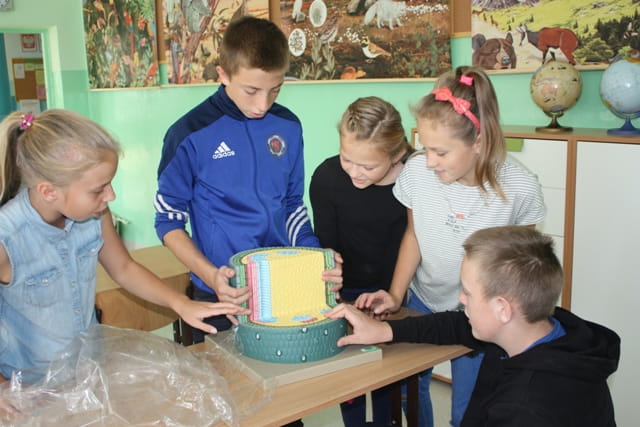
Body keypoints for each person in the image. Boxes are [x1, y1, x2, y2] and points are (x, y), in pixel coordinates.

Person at [0, 110, 250, 403]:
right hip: (28, 390)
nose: (111, 196)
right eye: (99, 189)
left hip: (88, 372)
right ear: (49, 191)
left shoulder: (95, 214)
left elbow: (123, 268)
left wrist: (181, 303)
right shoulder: (7, 237)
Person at [356, 66, 545, 427]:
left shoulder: (519, 187)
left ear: (479, 142)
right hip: (423, 300)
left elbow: (520, 269)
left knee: (467, 411)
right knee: (409, 392)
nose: (429, 161)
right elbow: (413, 235)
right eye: (425, 148)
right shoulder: (417, 172)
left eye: (440, 152)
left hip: (479, 315)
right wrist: (395, 295)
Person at [154, 15, 342, 345]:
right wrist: (211, 275)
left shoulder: (288, 126)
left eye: (275, 90)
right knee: (224, 378)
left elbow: (291, 205)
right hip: (220, 291)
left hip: (284, 286)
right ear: (223, 74)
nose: (262, 104)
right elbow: (168, 221)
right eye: (251, 90)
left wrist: (315, 259)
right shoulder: (188, 134)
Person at [327, 226, 620, 427]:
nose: (461, 299)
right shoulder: (548, 330)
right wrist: (386, 331)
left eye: (467, 292)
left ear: (502, 309)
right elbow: (456, 325)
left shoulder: (523, 409)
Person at [310, 96, 414, 426]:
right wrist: (336, 284)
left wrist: (392, 296)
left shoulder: (415, 178)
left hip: (394, 292)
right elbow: (326, 243)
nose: (355, 172)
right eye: (347, 159)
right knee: (351, 380)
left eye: (368, 167)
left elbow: (411, 241)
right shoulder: (327, 177)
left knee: (390, 380)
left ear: (397, 154)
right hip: (345, 292)